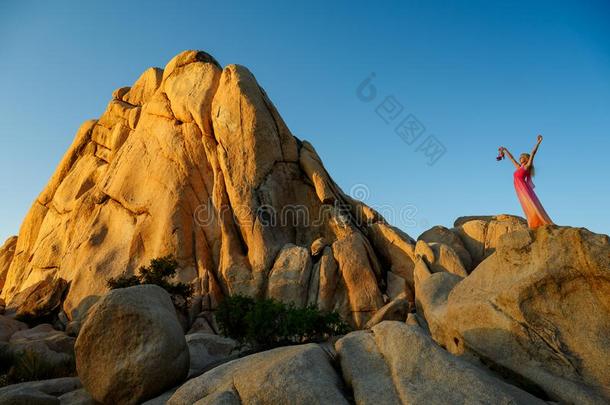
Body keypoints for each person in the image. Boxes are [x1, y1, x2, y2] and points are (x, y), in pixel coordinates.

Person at [500, 135, 554, 228]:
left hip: (524, 188)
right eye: (520, 157)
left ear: (525, 158)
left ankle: (539, 221)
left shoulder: (527, 167)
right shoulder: (519, 167)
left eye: (522, 157)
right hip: (519, 189)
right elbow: (512, 158)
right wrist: (505, 149)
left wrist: (539, 142)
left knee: (531, 204)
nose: (520, 158)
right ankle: (533, 222)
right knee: (526, 206)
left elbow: (533, 153)